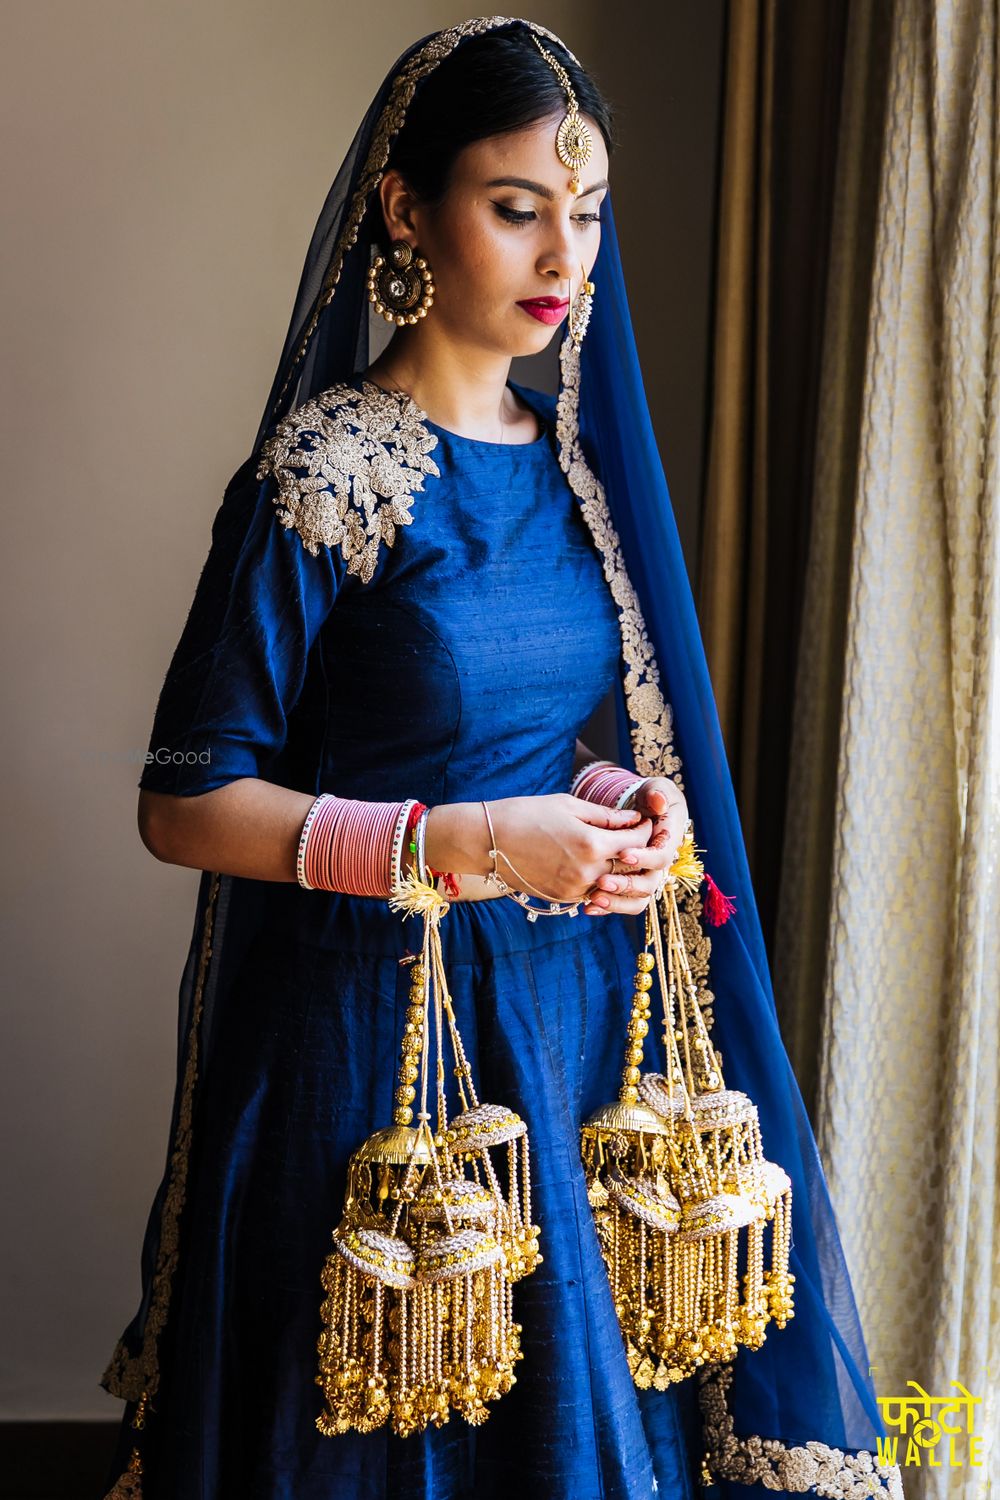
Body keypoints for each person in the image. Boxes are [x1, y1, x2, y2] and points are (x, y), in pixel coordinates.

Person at [99, 18, 902, 1500]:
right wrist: (461, 845)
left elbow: (537, 736)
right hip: (367, 1048)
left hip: (569, 1034)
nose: (562, 254)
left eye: (584, 215)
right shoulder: (326, 473)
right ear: (406, 209)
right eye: (516, 206)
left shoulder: (572, 459)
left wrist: (616, 807)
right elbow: (184, 801)